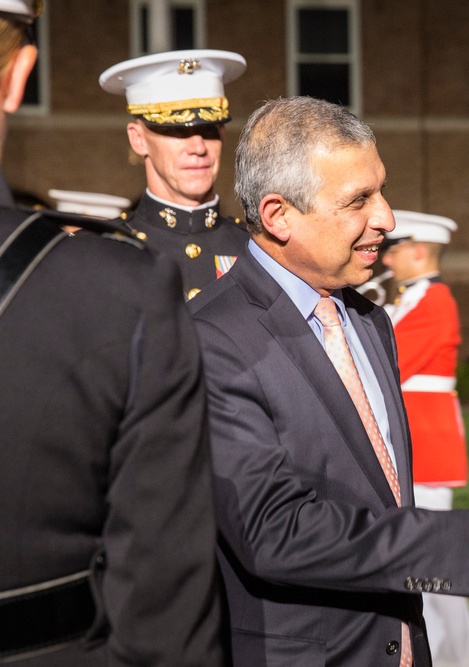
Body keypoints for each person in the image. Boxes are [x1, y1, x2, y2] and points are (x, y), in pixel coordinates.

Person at [188, 95, 469, 665]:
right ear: (278, 214)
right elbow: (274, 530)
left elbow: (370, 499)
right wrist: (465, 547)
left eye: (380, 191)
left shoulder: (367, 318)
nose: (386, 217)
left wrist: (460, 533)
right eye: (359, 200)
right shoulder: (212, 338)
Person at [0, 1, 223, 664]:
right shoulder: (112, 280)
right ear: (19, 78)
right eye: (176, 128)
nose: (197, 142)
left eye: (210, 126)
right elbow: (163, 609)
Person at [380, 210, 469, 667]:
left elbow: (391, 361)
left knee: (432, 564)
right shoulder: (412, 298)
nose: (387, 260)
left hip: (425, 444)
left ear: (419, 251)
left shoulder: (434, 300)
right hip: (417, 442)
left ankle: (454, 659)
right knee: (420, 561)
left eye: (395, 250)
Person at [99, 48, 249, 300]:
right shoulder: (105, 249)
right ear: (138, 140)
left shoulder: (256, 249)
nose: (199, 147)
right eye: (176, 131)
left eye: (209, 129)